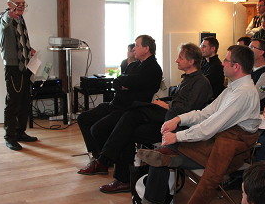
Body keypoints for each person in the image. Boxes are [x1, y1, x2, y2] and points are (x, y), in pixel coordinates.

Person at [123, 45, 261, 204]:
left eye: (226, 61)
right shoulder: (234, 88)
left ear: (236, 67)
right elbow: (205, 113)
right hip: (216, 140)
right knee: (164, 151)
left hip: (227, 153)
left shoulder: (243, 93)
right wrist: (179, 119)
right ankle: (156, 203)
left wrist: (178, 136)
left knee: (162, 156)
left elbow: (209, 127)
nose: (222, 64)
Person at [77, 43, 212, 195]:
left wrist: (166, 105)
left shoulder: (201, 82)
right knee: (126, 126)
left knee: (129, 119)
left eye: (180, 57)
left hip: (175, 128)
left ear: (191, 61)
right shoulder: (188, 79)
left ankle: (108, 166)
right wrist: (166, 103)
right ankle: (121, 177)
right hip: (168, 120)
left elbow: (188, 110)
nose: (176, 60)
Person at [76, 35, 162, 158]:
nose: (134, 49)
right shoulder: (134, 65)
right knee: (83, 118)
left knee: (97, 129)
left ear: (146, 48)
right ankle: (97, 153)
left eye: (137, 46)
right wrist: (124, 84)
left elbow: (129, 82)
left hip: (129, 109)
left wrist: (125, 84)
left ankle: (105, 158)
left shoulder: (153, 68)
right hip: (115, 104)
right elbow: (117, 82)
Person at [0, 0, 38, 151]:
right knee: (13, 102)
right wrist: (10, 14)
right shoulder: (3, 17)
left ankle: (20, 132)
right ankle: (10, 137)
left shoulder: (21, 19)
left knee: (25, 100)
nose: (21, 6)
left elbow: (21, 40)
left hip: (26, 65)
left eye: (23, 3)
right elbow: (5, 21)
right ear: (9, 5)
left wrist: (30, 50)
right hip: (13, 67)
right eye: (17, 3)